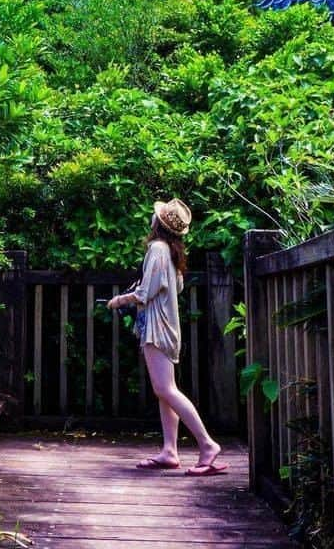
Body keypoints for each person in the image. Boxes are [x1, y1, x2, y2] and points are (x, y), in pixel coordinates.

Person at [107, 198, 228, 476]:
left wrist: (118, 300)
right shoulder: (172, 253)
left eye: (154, 217)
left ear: (158, 224)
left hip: (157, 328)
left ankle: (208, 445)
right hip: (168, 327)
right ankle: (169, 451)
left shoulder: (158, 249)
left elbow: (144, 293)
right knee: (165, 390)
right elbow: (177, 288)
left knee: (165, 390)